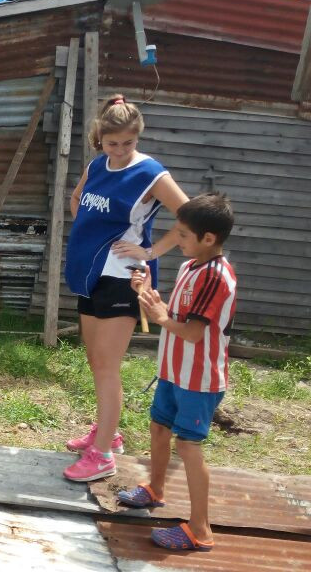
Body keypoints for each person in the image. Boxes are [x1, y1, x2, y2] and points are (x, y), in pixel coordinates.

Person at [62, 94, 190, 482]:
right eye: (112, 143)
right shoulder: (96, 165)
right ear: (100, 138)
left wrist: (150, 250)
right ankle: (108, 433)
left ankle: (102, 456)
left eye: (127, 143)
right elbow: (77, 202)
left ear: (138, 138)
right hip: (89, 272)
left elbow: (192, 217)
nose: (119, 151)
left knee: (107, 366)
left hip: (123, 277)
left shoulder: (150, 173)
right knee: (94, 360)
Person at [117, 193, 236, 552]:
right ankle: (155, 489)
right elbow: (177, 315)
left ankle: (200, 530)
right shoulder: (190, 266)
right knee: (158, 428)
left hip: (199, 379)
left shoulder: (216, 276)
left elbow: (191, 331)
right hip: (173, 371)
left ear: (209, 238)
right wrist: (148, 293)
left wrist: (160, 318)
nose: (177, 239)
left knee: (188, 444)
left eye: (184, 234)